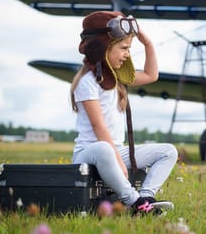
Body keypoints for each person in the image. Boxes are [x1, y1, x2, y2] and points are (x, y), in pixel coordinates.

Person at [70, 11, 178, 214]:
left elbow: (151, 75)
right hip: (90, 153)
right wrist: (119, 162)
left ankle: (147, 196)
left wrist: (148, 44)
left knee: (169, 151)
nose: (128, 54)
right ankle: (134, 202)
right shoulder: (87, 82)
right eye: (124, 48)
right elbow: (98, 126)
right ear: (103, 48)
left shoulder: (117, 78)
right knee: (104, 148)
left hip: (115, 150)